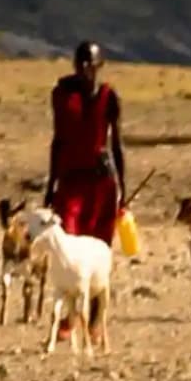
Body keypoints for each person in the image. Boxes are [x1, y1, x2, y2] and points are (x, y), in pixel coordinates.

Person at [48, 41, 128, 244]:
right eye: (80, 63)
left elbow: (117, 144)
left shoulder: (109, 97)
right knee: (67, 241)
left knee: (98, 248)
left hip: (101, 183)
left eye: (89, 64)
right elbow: (58, 140)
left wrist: (122, 186)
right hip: (71, 181)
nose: (84, 69)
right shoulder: (63, 97)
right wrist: (51, 186)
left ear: (99, 65)